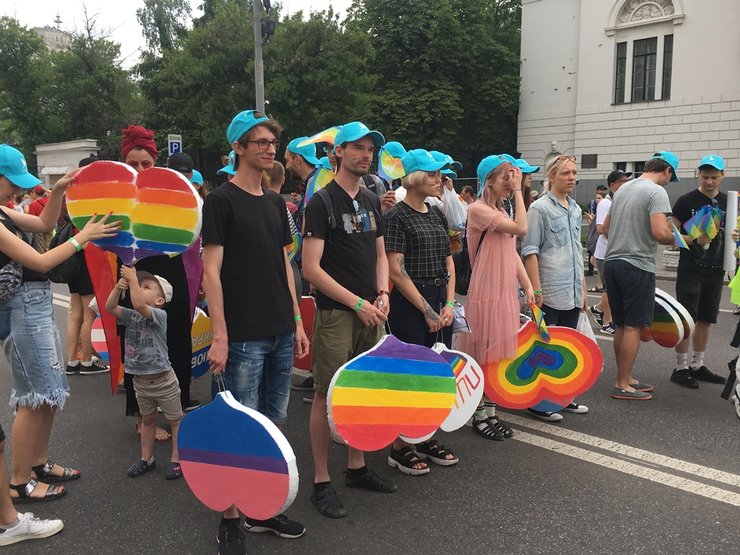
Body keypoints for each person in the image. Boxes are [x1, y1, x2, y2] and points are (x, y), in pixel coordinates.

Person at [202, 109, 309, 552]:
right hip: (242, 334)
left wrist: (297, 320)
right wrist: (220, 335)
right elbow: (211, 271)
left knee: (273, 425)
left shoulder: (274, 203)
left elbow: (284, 263)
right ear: (239, 147)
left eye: (272, 143)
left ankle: (262, 509)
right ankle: (230, 517)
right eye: (260, 142)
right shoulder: (220, 200)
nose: (270, 149)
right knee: (239, 428)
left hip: (281, 328)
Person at [0, 144, 119, 504]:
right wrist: (83, 238)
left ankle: (38, 463)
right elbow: (40, 262)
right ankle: (20, 481)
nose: (17, 191)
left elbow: (45, 225)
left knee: (49, 393)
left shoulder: (3, 210)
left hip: (35, 307)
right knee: (34, 397)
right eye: (11, 182)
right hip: (22, 313)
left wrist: (59, 191)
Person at [302, 121, 396, 519]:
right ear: (337, 152)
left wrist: (383, 292)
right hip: (337, 313)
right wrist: (357, 303)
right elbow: (311, 268)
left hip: (371, 310)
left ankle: (357, 467)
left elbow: (380, 254)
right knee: (325, 394)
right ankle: (321, 481)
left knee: (361, 390)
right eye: (357, 147)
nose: (366, 155)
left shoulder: (372, 199)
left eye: (370, 149)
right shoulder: (322, 202)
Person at [119, 126, 200, 444]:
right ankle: (143, 418)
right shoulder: (119, 197)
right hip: (135, 272)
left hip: (171, 271)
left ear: (156, 163)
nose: (140, 169)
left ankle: (177, 405)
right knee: (138, 343)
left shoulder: (171, 192)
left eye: (146, 163)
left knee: (177, 337)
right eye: (133, 164)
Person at [384, 149, 458, 474]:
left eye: (439, 173)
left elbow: (449, 260)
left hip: (440, 298)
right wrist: (427, 309)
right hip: (410, 302)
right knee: (408, 374)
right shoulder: (396, 217)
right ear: (414, 178)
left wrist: (450, 303)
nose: (439, 179)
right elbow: (397, 271)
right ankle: (399, 445)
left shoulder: (437, 212)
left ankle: (425, 435)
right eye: (432, 174)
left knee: (435, 374)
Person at [460, 155, 533, 438]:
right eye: (505, 177)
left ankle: (491, 412)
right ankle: (478, 415)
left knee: (498, 357)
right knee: (482, 356)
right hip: (485, 293)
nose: (510, 182)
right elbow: (521, 229)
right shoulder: (478, 209)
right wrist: (518, 190)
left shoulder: (500, 210)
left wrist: (527, 284)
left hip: (504, 293)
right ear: (488, 180)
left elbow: (512, 251)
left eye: (512, 177)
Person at [602, 151, 678, 400]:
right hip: (637, 265)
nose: (669, 182)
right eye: (671, 177)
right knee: (634, 326)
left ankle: (625, 376)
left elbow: (605, 228)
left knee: (621, 324)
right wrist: (679, 239)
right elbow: (659, 232)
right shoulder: (656, 192)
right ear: (666, 170)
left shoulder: (623, 189)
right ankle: (622, 384)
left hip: (612, 263)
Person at [522, 155, 589, 421]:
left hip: (572, 290)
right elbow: (530, 251)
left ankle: (563, 396)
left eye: (574, 173)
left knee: (567, 346)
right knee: (545, 347)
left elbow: (577, 251)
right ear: (551, 177)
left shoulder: (575, 209)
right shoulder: (539, 209)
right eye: (565, 173)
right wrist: (536, 290)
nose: (571, 177)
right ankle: (539, 401)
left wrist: (583, 287)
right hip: (549, 290)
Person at [105, 267, 182, 479]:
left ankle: (177, 459)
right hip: (140, 382)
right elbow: (110, 307)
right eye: (138, 286)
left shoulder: (159, 315)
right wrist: (118, 287)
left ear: (159, 300)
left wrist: (131, 278)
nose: (138, 288)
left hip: (164, 380)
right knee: (147, 421)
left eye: (145, 287)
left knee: (175, 421)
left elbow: (139, 304)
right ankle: (146, 458)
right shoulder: (131, 316)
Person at [670, 155, 728, 388]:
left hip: (716, 270)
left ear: (723, 175)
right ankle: (680, 367)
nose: (709, 182)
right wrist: (694, 238)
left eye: (714, 177)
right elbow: (670, 235)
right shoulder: (686, 201)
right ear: (698, 174)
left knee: (706, 319)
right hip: (690, 269)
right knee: (687, 319)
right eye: (705, 177)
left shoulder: (730, 201)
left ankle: (698, 364)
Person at [65, 155, 110, 376]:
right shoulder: (94, 197)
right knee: (89, 314)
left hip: (72, 260)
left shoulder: (71, 195)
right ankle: (86, 361)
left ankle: (72, 361)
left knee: (75, 313)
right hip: (88, 261)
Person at [589, 170, 632, 335]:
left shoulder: (619, 201)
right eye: (623, 182)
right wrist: (620, 240)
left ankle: (598, 309)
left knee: (614, 289)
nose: (626, 184)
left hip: (615, 252)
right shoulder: (605, 204)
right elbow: (601, 228)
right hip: (605, 253)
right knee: (609, 289)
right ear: (613, 185)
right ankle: (607, 323)